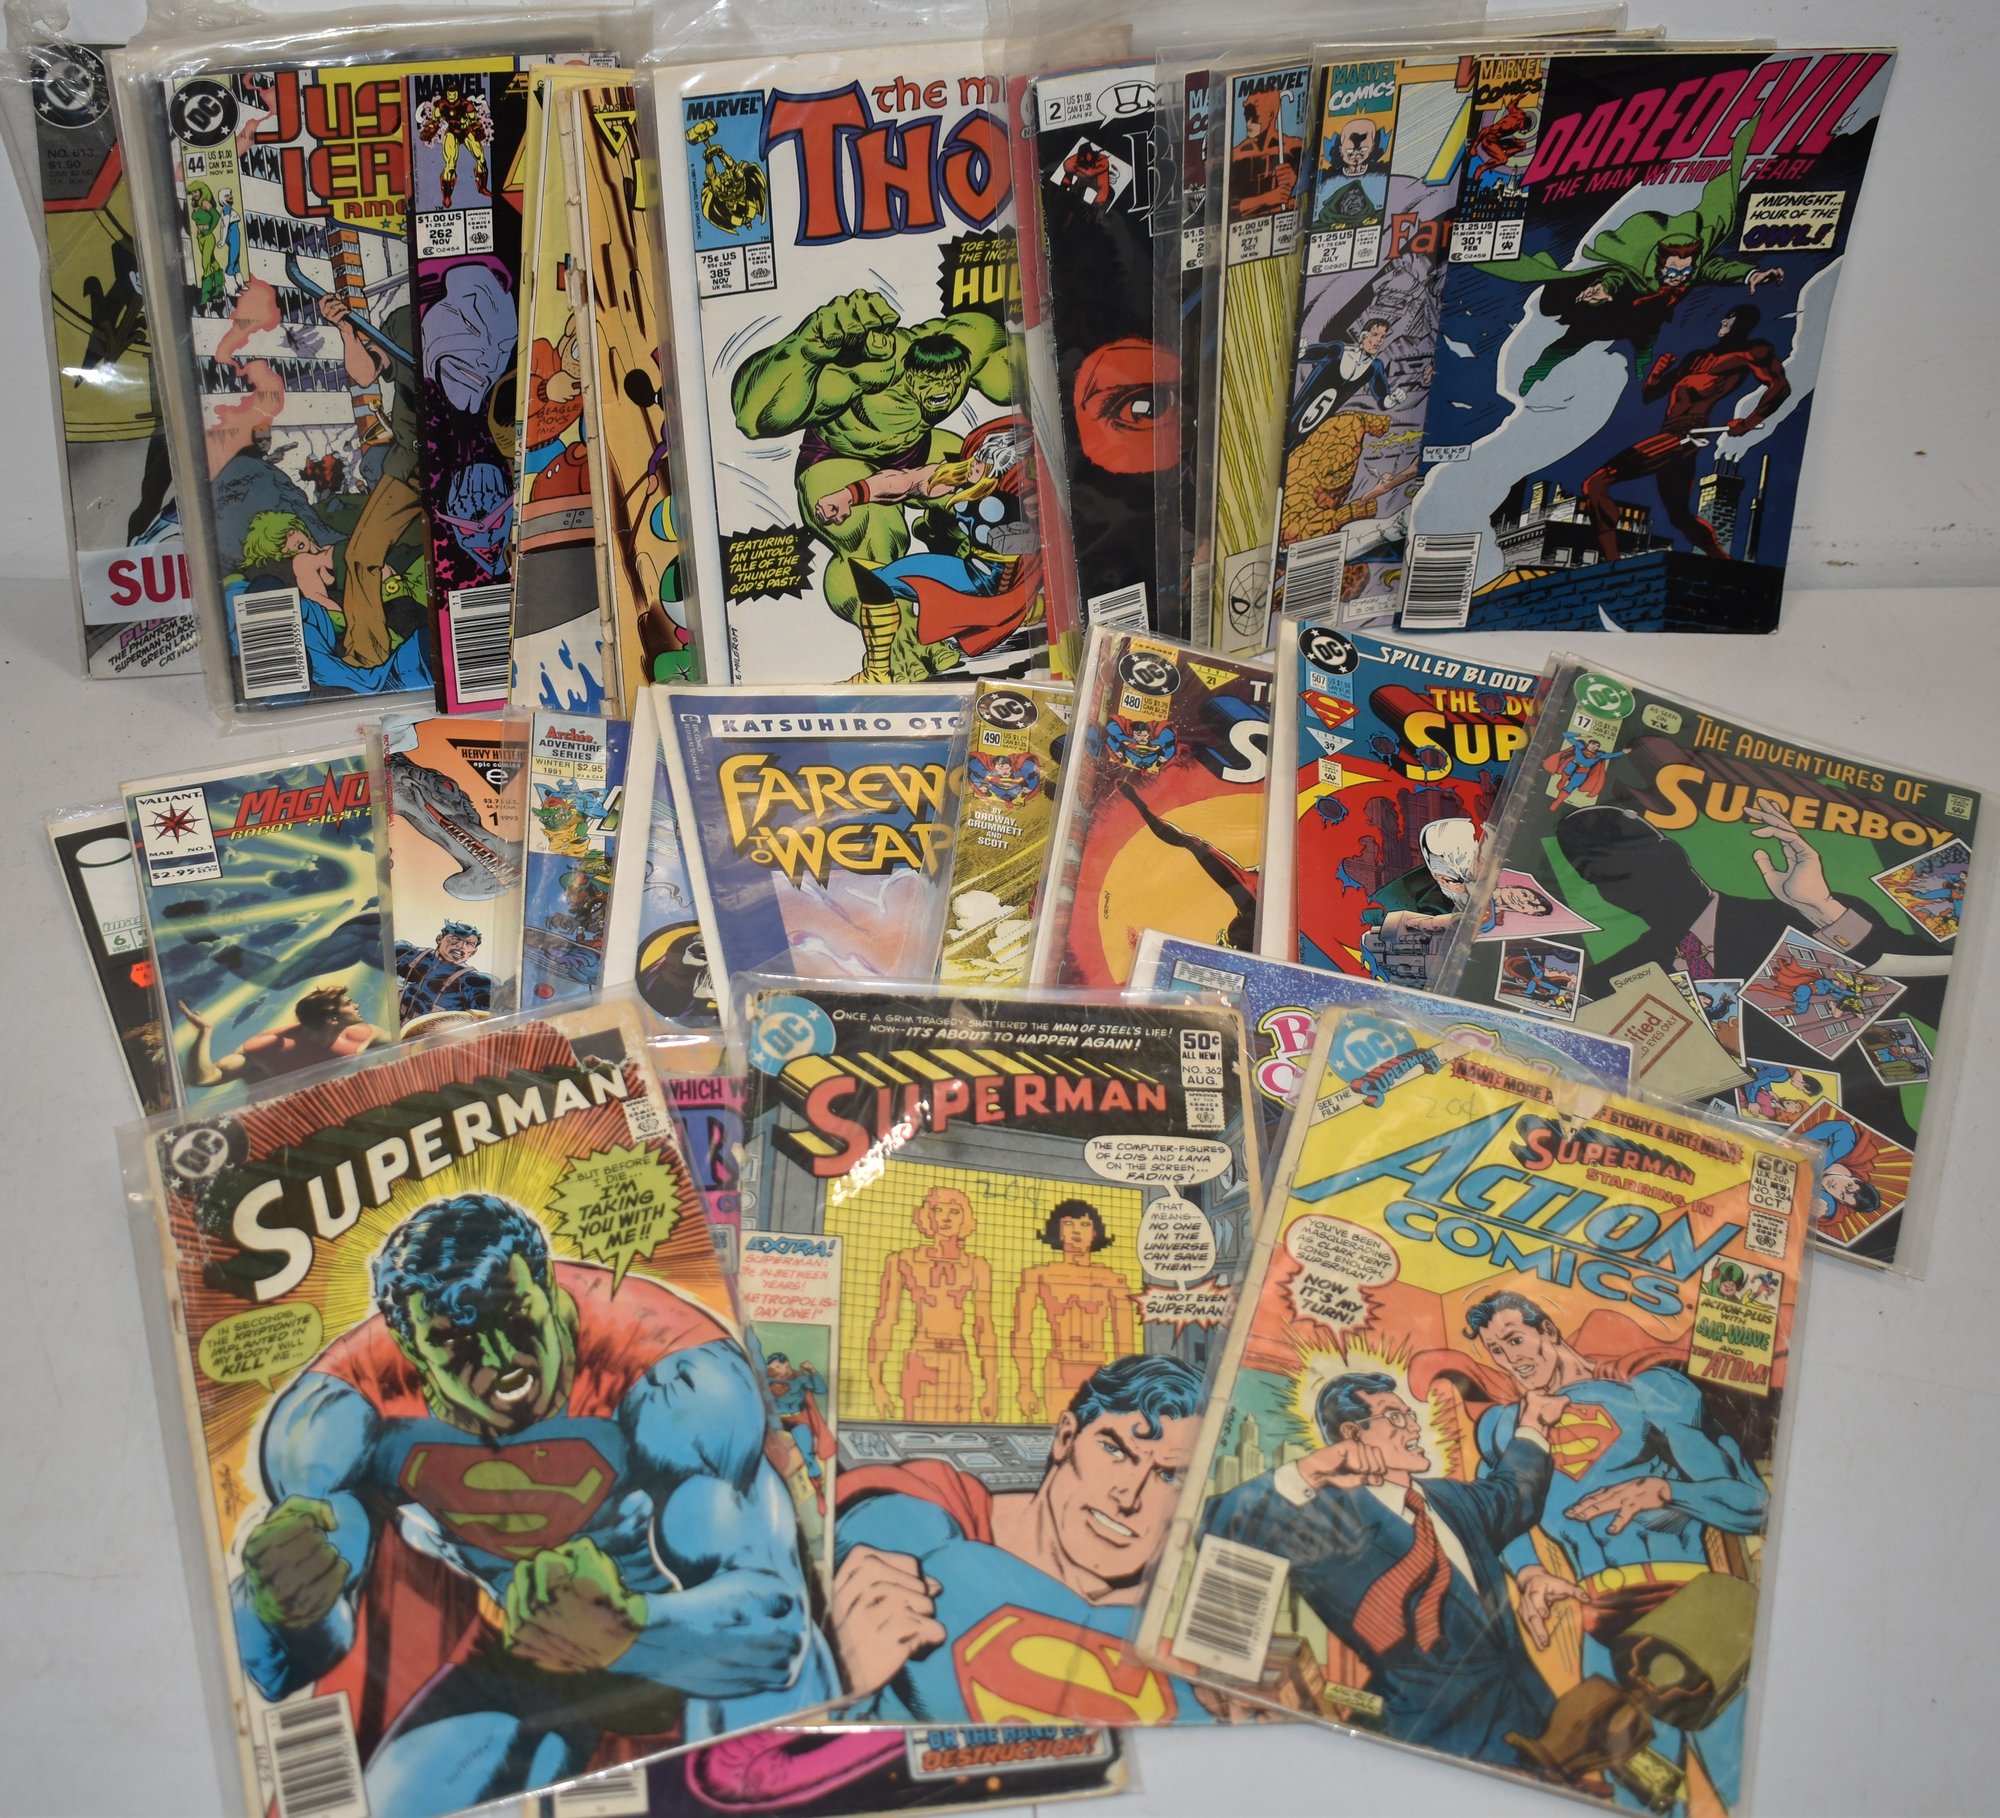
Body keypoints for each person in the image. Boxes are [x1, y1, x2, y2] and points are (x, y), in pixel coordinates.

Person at [230, 1194, 835, 1815]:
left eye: (517, 1319)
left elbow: (775, 1632)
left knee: (764, 1780)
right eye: (456, 1342)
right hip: (524, 1663)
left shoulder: (674, 1375)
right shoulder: (341, 1413)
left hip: (693, 1643)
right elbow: (282, 1665)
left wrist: (628, 1626)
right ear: (412, 1350)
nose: (500, 1362)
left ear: (546, 1288)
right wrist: (283, 1608)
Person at [1431, 1291, 1771, 1809]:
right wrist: (1529, 1573)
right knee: (1638, 1788)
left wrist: (1664, 1490)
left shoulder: (1650, 1394)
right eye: (1496, 1350)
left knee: (1734, 1773)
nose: (1510, 1358)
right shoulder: (1504, 1429)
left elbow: (1750, 1504)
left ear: (1548, 1330)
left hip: (1689, 1607)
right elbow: (1499, 1516)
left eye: (1515, 1340)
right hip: (1602, 1621)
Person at [1202, 1368, 1573, 1766]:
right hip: (1430, 1744)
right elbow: (1224, 1525)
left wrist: (1533, 1422)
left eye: (1409, 1414)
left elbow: (1515, 1495)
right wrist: (1314, 1468)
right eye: (1396, 1416)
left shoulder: (1451, 1499)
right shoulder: (1326, 1518)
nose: (1413, 1424)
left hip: (1535, 1718)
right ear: (1353, 1433)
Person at [832, 1354, 1213, 1724]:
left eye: (1170, 1476)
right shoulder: (918, 1525)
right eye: (1114, 1450)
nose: (1128, 1498)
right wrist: (839, 1672)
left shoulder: (1191, 1606)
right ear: (1066, 1438)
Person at [867, 1187, 999, 1424]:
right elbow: (885, 1321)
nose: (946, 1218)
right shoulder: (903, 1260)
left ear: (965, 1218)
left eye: (955, 1211)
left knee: (960, 1432)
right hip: (921, 1356)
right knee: (916, 1431)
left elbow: (984, 1329)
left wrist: (991, 1389)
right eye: (938, 1210)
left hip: (957, 1358)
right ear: (928, 1215)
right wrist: (876, 1383)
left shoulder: (977, 1266)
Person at [1012, 1200, 1138, 1422]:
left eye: (1085, 1224)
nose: (1077, 1231)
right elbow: (1022, 1335)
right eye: (1069, 1224)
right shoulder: (1039, 1275)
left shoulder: (1112, 1280)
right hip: (1058, 1367)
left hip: (1098, 1368)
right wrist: (1025, 1387)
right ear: (1058, 1231)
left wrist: (1124, 1389)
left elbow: (1125, 1341)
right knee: (1062, 1430)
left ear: (1095, 1232)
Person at [180, 983, 385, 1086]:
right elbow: (205, 1078)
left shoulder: (365, 1034)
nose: (356, 1006)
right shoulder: (267, 1048)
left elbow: (400, 1046)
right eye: (348, 1004)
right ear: (331, 1018)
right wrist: (204, 1033)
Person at [395, 920, 493, 1021]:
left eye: (469, 944)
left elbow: (488, 1019)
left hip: (430, 1030)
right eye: (455, 938)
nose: (461, 946)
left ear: (473, 952)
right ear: (439, 939)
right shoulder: (408, 953)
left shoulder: (474, 981)